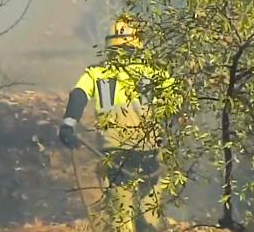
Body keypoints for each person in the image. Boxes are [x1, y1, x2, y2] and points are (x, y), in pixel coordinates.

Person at [59, 14, 180, 231]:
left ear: (110, 44)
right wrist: (169, 138)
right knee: (150, 219)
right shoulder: (156, 73)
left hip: (115, 157)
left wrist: (68, 124)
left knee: (121, 221)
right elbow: (175, 107)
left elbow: (78, 95)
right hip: (149, 155)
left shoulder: (98, 72)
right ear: (139, 43)